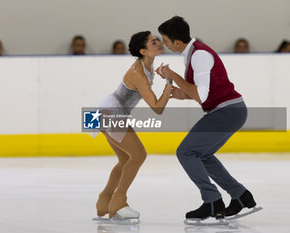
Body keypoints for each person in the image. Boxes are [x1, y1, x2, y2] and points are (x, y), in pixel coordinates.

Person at [157, 16, 257, 221]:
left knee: (185, 152)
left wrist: (174, 76)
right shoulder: (193, 53)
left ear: (177, 41)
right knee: (203, 155)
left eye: (165, 40)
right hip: (228, 111)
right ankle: (240, 195)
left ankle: (212, 201)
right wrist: (178, 93)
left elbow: (200, 95)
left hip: (227, 111)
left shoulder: (199, 55)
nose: (163, 44)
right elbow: (198, 93)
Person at [95, 31, 172, 220]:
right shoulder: (137, 74)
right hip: (111, 113)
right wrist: (169, 83)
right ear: (143, 51)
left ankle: (104, 201)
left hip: (105, 111)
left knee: (125, 160)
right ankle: (118, 202)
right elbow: (157, 108)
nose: (159, 43)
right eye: (154, 42)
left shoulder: (146, 67)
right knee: (138, 155)